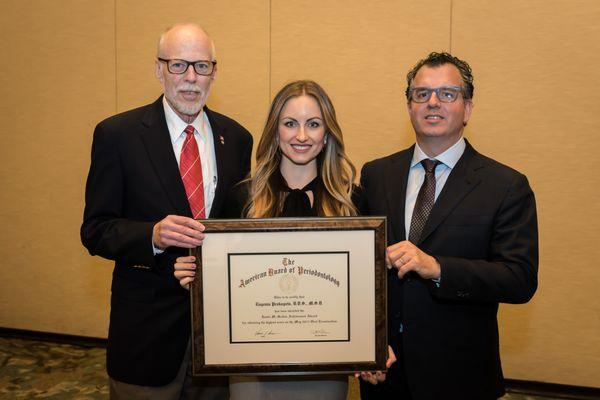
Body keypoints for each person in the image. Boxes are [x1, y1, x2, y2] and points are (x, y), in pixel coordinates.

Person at [81, 23, 253, 399]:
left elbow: (238, 230)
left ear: (214, 71)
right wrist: (153, 237)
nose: (191, 78)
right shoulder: (118, 135)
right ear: (158, 69)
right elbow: (95, 230)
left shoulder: (237, 139)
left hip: (218, 336)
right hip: (147, 335)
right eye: (179, 65)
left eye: (202, 66)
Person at [359, 52, 538, 400]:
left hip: (461, 375)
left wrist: (437, 267)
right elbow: (361, 269)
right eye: (421, 94)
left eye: (448, 93)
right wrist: (368, 341)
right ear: (409, 106)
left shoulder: (505, 185)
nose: (433, 103)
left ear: (468, 108)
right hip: (386, 372)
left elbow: (519, 279)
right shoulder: (376, 174)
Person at [174, 80, 360, 400]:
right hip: (252, 365)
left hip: (326, 364)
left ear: (327, 133)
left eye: (313, 124)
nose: (301, 135)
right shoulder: (242, 199)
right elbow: (221, 281)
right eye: (290, 124)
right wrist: (194, 274)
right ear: (275, 132)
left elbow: (362, 290)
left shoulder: (352, 203)